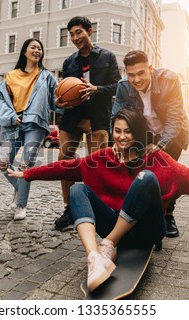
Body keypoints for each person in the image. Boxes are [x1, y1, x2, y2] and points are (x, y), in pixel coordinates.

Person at [8, 108, 189, 291]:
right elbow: (64, 168)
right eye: (117, 131)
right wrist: (28, 173)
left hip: (147, 230)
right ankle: (95, 257)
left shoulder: (158, 160)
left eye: (128, 131)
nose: (121, 136)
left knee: (146, 178)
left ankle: (108, 243)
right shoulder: (103, 158)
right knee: (77, 190)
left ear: (139, 133)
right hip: (114, 224)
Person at [112, 50, 189, 238]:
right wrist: (115, 142)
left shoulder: (169, 79)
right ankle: (139, 215)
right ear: (126, 73)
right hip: (145, 133)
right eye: (131, 75)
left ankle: (168, 216)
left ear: (150, 69)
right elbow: (116, 115)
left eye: (141, 73)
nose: (137, 79)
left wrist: (161, 145)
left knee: (167, 176)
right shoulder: (123, 86)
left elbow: (174, 118)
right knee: (141, 174)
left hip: (172, 134)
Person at [54, 16, 121, 230]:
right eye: (72, 34)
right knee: (64, 159)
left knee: (96, 164)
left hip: (98, 116)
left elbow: (118, 86)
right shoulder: (69, 62)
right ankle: (69, 208)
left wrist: (97, 90)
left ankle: (95, 207)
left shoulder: (107, 57)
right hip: (73, 116)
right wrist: (60, 101)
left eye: (79, 32)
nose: (75, 38)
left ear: (89, 31)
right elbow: (65, 89)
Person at [0, 38, 60, 221]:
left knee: (25, 165)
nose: (37, 50)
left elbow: (56, 101)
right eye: (33, 47)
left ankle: (21, 205)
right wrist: (10, 117)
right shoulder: (10, 76)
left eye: (40, 48)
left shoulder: (47, 76)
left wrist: (65, 101)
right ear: (25, 51)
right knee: (2, 162)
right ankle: (18, 187)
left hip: (36, 124)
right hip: (13, 123)